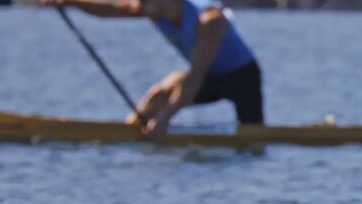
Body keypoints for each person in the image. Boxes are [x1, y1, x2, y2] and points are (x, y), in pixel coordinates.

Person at [42, 0, 264, 140]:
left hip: (242, 78)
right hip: (210, 76)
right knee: (161, 93)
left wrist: (165, 119)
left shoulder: (208, 20)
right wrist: (69, 2)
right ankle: (126, 132)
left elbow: (195, 76)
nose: (138, 5)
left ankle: (263, 134)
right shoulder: (155, 8)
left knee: (254, 136)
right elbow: (110, 10)